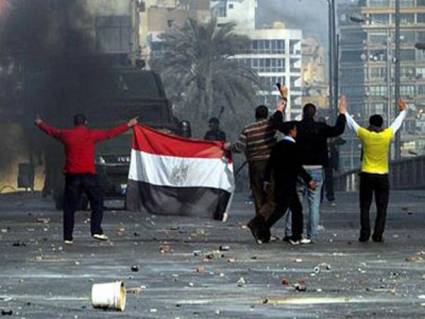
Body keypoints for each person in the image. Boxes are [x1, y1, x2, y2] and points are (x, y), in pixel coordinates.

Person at [35, 113, 139, 245]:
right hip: (88, 176)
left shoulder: (66, 135)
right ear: (85, 122)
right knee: (97, 202)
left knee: (69, 208)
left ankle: (68, 237)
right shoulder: (91, 134)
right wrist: (128, 125)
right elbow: (109, 133)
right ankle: (96, 230)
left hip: (72, 177)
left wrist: (39, 123)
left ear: (74, 123)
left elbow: (52, 131)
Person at [272, 97, 346, 242]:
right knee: (314, 204)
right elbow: (338, 129)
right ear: (314, 114)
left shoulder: (295, 127)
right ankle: (312, 235)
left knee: (294, 203)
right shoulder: (321, 128)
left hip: (298, 169)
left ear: (303, 113)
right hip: (317, 169)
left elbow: (277, 124)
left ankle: (290, 233)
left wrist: (280, 109)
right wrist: (342, 113)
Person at [341, 97, 408, 242]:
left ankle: (364, 234)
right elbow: (397, 124)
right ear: (382, 125)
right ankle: (378, 234)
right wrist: (403, 111)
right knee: (382, 208)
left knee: (365, 206)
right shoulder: (386, 135)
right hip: (382, 176)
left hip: (366, 175)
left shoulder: (366, 135)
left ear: (370, 125)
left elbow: (353, 125)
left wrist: (344, 111)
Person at [250, 121, 316, 245]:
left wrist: (266, 180)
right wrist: (309, 180)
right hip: (289, 181)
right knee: (287, 209)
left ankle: (264, 228)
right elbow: (297, 166)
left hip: (279, 181)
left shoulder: (278, 146)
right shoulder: (294, 147)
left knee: (288, 208)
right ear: (291, 131)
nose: (297, 132)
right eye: (295, 129)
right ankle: (263, 227)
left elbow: (270, 164)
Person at [225, 104, 280, 237]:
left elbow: (239, 147)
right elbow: (279, 118)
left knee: (258, 197)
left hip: (254, 165)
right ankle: (257, 224)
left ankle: (261, 232)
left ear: (256, 115)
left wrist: (228, 147)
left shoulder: (248, 129)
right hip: (270, 165)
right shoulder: (270, 126)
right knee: (272, 198)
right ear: (266, 115)